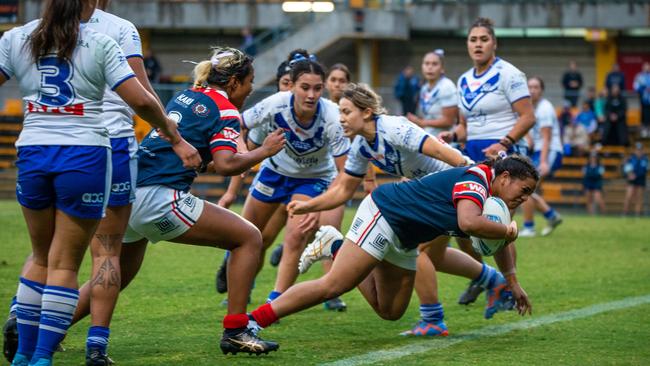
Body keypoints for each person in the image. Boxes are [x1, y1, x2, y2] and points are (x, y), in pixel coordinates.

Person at [0, 1, 199, 365]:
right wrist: (174, 135)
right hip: (92, 151)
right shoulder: (106, 37)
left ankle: (22, 356)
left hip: (33, 151)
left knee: (41, 256)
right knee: (77, 262)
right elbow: (141, 97)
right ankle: (57, 354)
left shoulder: (16, 37)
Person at [288, 83, 519, 337]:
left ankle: (434, 318)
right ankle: (493, 282)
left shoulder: (393, 128)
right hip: (430, 197)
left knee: (419, 250)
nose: (340, 119)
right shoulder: (362, 146)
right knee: (435, 256)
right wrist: (308, 205)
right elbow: (343, 190)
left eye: (345, 112)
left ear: (365, 112)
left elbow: (442, 151)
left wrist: (474, 177)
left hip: (448, 192)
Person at [247, 155, 537, 342]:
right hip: (386, 213)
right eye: (524, 190)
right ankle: (252, 322)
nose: (524, 199)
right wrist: (509, 230)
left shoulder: (498, 204)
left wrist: (512, 282)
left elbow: (500, 241)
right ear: (504, 178)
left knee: (390, 311)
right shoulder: (476, 181)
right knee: (334, 285)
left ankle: (335, 245)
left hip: (406, 238)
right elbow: (469, 222)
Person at [238, 52, 351, 306]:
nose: (311, 95)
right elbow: (240, 122)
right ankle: (239, 287)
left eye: (317, 88)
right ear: (293, 86)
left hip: (313, 178)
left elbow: (345, 173)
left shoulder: (333, 117)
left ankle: (274, 302)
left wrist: (318, 204)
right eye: (304, 88)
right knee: (247, 234)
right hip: (275, 171)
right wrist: (243, 154)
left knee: (296, 236)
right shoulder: (276, 103)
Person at [439, 17, 535, 305]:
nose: (478, 44)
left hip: (504, 154)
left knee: (498, 221)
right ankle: (482, 277)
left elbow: (528, 117)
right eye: (473, 39)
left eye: (484, 39)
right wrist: (453, 134)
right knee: (464, 226)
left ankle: (508, 284)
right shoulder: (463, 80)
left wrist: (503, 143)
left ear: (494, 43)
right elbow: (466, 126)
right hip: (473, 153)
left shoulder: (510, 74)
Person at [520, 77, 564, 237]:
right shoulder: (530, 108)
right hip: (538, 152)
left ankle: (530, 227)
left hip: (549, 151)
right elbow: (531, 139)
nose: (532, 90)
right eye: (529, 87)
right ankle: (551, 216)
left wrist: (544, 161)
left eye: (536, 87)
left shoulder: (545, 108)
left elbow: (547, 138)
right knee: (526, 188)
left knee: (525, 187)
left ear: (541, 90)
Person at [406, 49, 458, 138]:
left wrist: (422, 122)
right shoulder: (424, 88)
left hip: (445, 141)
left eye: (434, 64)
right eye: (426, 63)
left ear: (442, 69)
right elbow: (426, 117)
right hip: (429, 138)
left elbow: (449, 121)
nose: (430, 67)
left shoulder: (447, 86)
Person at [622, 142, 648, 216]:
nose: (638, 151)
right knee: (628, 196)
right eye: (637, 150)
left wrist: (636, 175)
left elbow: (644, 170)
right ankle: (625, 213)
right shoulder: (630, 158)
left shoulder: (645, 159)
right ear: (635, 150)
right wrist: (629, 174)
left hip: (640, 180)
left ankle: (637, 214)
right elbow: (626, 168)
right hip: (632, 180)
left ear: (642, 150)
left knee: (639, 198)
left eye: (640, 150)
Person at [583, 150, 606, 215]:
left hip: (597, 184)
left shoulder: (600, 166)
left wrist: (591, 174)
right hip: (588, 184)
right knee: (588, 200)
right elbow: (585, 175)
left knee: (598, 199)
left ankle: (603, 214)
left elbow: (600, 175)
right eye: (591, 157)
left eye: (594, 157)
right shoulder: (586, 166)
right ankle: (590, 214)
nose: (593, 159)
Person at [633, 62, 650, 138]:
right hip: (643, 99)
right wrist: (643, 90)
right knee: (644, 114)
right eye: (646, 67)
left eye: (648, 67)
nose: (647, 68)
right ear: (643, 68)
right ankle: (644, 130)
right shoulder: (639, 76)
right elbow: (635, 86)